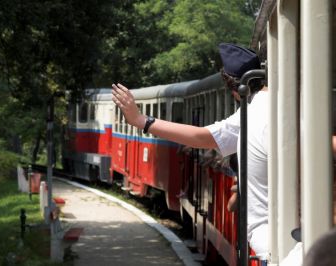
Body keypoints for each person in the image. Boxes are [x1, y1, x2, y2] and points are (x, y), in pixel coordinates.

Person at [112, 43, 268, 259]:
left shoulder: (253, 113)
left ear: (236, 89)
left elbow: (200, 137)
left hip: (267, 242)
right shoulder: (277, 107)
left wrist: (141, 121)